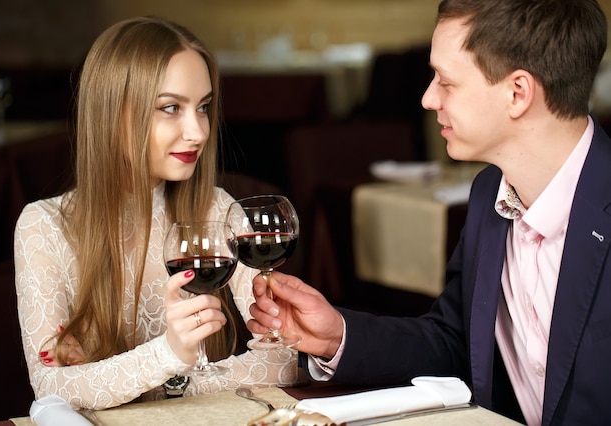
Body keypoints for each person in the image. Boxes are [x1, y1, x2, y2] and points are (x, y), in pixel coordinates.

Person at [247, 0, 611, 424]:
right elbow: (454, 343)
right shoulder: (488, 194)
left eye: (446, 81)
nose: (427, 98)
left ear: (518, 93)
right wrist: (337, 337)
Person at [13, 16, 298, 410]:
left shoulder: (217, 208)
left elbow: (282, 359)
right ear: (113, 114)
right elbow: (50, 388)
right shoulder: (43, 226)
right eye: (170, 108)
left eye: (202, 108)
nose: (198, 132)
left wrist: (157, 386)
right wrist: (169, 354)